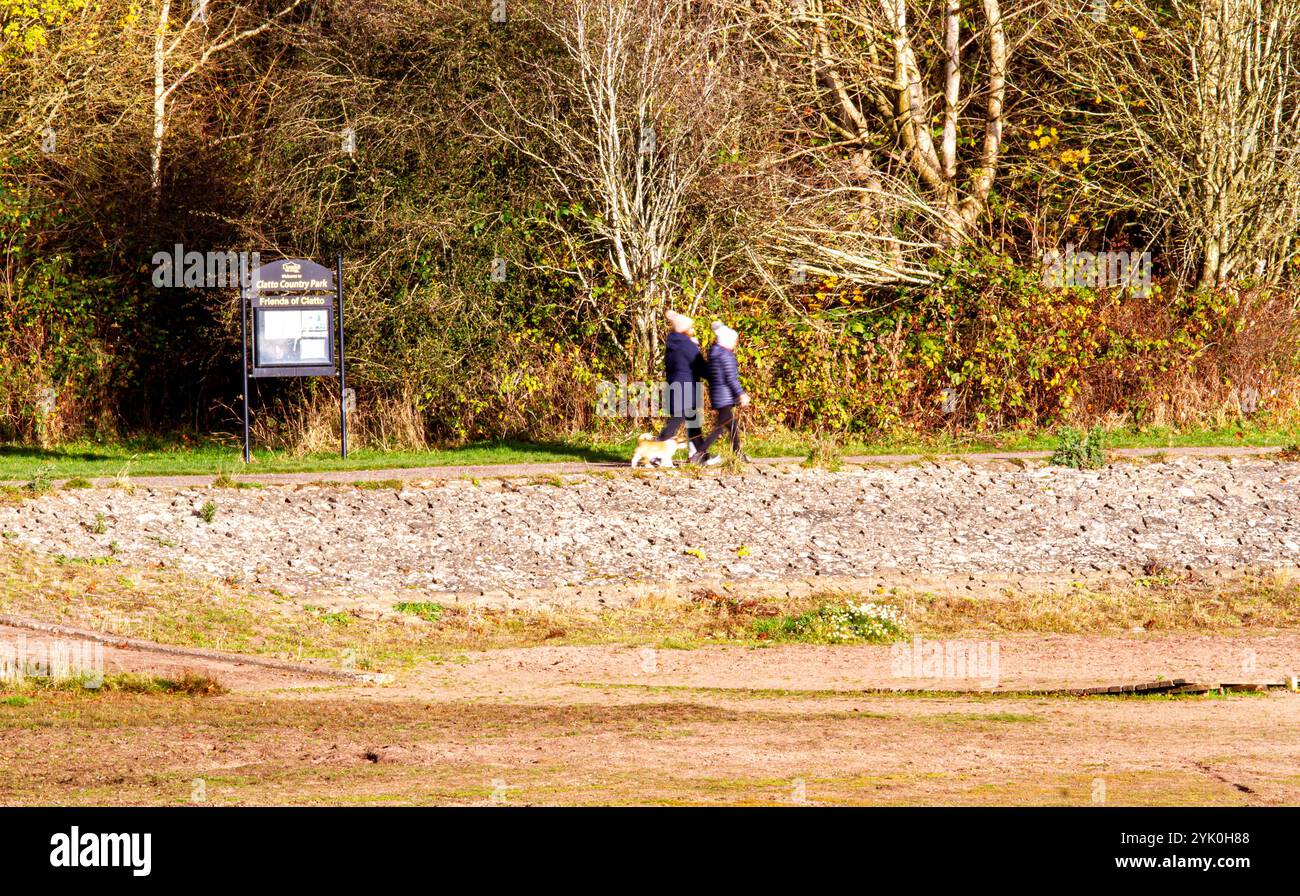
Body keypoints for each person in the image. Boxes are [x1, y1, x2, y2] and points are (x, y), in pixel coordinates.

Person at [690, 320, 750, 465]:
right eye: (734, 341)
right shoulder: (725, 355)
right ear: (728, 341)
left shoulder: (715, 352)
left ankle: (738, 453)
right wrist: (741, 394)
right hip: (724, 396)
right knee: (720, 428)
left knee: (732, 426)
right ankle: (699, 454)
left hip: (719, 394)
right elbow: (731, 377)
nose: (735, 344)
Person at [657, 309, 708, 457]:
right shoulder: (687, 346)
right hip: (686, 387)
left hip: (674, 385)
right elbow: (701, 367)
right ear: (684, 330)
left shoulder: (672, 344)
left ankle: (698, 455)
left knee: (692, 422)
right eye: (690, 327)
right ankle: (656, 449)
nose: (692, 330)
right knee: (678, 421)